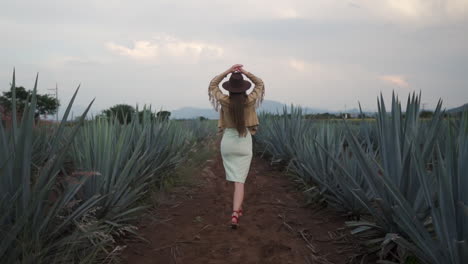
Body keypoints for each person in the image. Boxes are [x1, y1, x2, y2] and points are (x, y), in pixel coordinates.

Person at [208, 64, 265, 229]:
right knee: (240, 182)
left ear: (230, 89)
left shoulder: (224, 101)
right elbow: (260, 84)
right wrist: (245, 73)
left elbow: (213, 85)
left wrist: (227, 71)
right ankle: (235, 212)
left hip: (228, 142)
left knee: (234, 179)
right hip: (244, 142)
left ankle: (236, 209)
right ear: (244, 89)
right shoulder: (250, 100)